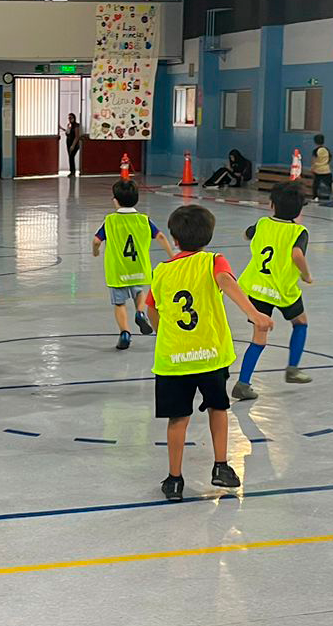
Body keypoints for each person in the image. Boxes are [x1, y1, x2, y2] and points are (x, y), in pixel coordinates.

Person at [146, 205, 273, 501]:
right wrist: (254, 314)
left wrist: (160, 330)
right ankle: (221, 466)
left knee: (177, 419)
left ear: (175, 240)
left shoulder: (162, 270)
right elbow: (227, 282)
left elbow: (152, 310)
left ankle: (175, 479)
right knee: (219, 408)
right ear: (209, 236)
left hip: (173, 360)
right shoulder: (213, 261)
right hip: (209, 355)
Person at [233, 182, 314, 401]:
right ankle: (292, 368)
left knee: (259, 337)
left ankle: (243, 383)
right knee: (301, 322)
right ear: (299, 210)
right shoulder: (298, 231)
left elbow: (246, 235)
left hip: (258, 287)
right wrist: (306, 275)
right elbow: (297, 254)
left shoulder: (262, 224)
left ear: (271, 205)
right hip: (282, 289)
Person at [92, 180, 173, 350]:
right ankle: (140, 312)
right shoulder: (144, 220)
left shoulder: (111, 221)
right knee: (139, 292)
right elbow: (161, 237)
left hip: (118, 270)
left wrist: (95, 251)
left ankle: (125, 333)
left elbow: (96, 241)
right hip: (139, 267)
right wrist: (172, 256)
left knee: (119, 303)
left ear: (115, 200)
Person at [310, 134, 332, 202]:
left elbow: (313, 161)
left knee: (316, 184)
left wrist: (312, 168)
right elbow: (330, 158)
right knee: (328, 184)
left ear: (315, 141)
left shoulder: (315, 151)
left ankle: (315, 197)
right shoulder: (327, 150)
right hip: (327, 169)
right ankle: (328, 196)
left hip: (318, 170)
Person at [61, 113, 82, 177]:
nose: (69, 119)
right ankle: (71, 171)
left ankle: (73, 171)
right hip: (68, 142)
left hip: (74, 143)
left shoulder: (76, 125)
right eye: (69, 118)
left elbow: (77, 136)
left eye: (71, 118)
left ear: (74, 118)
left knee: (71, 156)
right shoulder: (69, 125)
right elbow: (68, 133)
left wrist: (73, 145)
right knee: (70, 157)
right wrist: (63, 129)